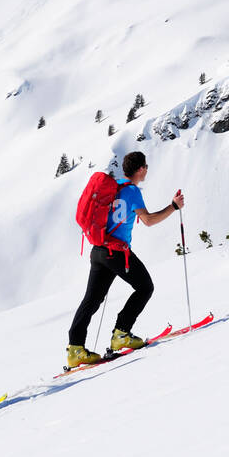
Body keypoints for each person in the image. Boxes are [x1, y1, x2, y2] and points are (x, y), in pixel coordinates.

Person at [66, 151, 183, 367]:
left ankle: (75, 348)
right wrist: (173, 207)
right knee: (145, 287)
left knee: (91, 300)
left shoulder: (114, 186)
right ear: (140, 169)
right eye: (146, 166)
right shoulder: (132, 191)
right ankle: (121, 333)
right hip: (116, 252)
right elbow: (148, 220)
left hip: (98, 249)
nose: (147, 170)